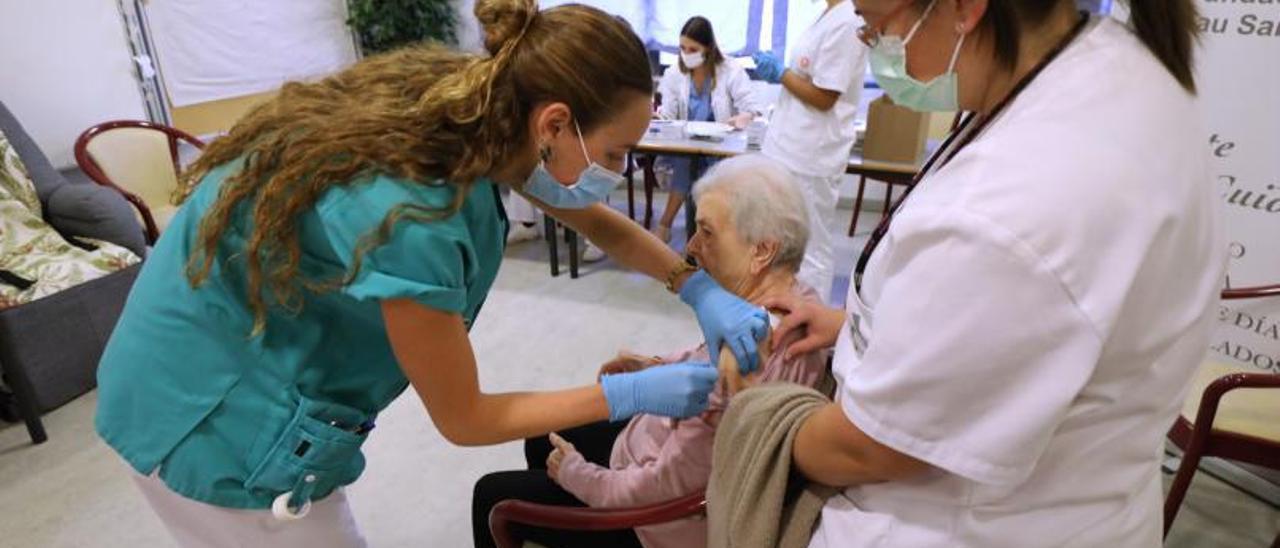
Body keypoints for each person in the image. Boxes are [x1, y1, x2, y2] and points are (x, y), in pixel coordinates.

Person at [92, 1, 770, 545]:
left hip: (218, 338)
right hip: (202, 408)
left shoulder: (485, 109)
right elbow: (466, 418)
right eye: (618, 153)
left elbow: (592, 218)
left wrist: (698, 287)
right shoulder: (415, 214)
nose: (618, 175)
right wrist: (630, 395)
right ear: (555, 123)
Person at [760, 0, 1224, 546]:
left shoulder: (1012, 206)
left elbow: (867, 447)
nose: (869, 43)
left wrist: (754, 416)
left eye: (876, 26)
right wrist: (859, 328)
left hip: (965, 522)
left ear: (963, 9)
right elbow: (1012, 330)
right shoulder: (1107, 68)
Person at [472, 155, 829, 548]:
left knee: (492, 497)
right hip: (649, 452)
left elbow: (666, 487)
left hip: (657, 523)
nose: (691, 247)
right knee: (541, 438)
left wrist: (578, 474)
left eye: (707, 232)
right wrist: (655, 366)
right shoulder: (802, 304)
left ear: (761, 251)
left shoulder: (743, 358)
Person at [751, 0, 869, 301]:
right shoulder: (826, 14)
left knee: (811, 247)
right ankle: (783, 311)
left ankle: (810, 324)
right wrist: (784, 73)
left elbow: (824, 97)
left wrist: (781, 74)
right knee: (783, 239)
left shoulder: (848, 20)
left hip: (811, 153)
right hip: (788, 147)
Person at [650, 16, 765, 244]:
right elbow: (669, 114)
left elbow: (754, 109)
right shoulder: (675, 73)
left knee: (710, 172)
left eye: (693, 49)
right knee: (685, 163)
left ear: (708, 49)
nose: (686, 54)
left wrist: (746, 116)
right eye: (682, 48)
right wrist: (658, 117)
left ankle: (696, 231)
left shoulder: (731, 71)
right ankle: (673, 228)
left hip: (722, 148)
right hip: (687, 146)